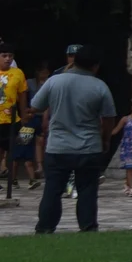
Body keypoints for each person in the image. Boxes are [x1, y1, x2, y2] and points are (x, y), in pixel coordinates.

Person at [30, 44, 121, 234]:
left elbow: (36, 105)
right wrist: (105, 140)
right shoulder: (99, 86)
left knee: (52, 191)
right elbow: (109, 117)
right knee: (88, 190)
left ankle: (46, 227)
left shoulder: (55, 81)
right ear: (95, 66)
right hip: (89, 146)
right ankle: (87, 226)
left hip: (58, 146)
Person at [0, 43, 25, 190]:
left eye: (10, 56)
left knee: (11, 149)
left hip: (12, 118)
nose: (7, 59)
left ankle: (11, 178)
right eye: (4, 56)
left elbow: (22, 96)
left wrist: (24, 116)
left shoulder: (18, 73)